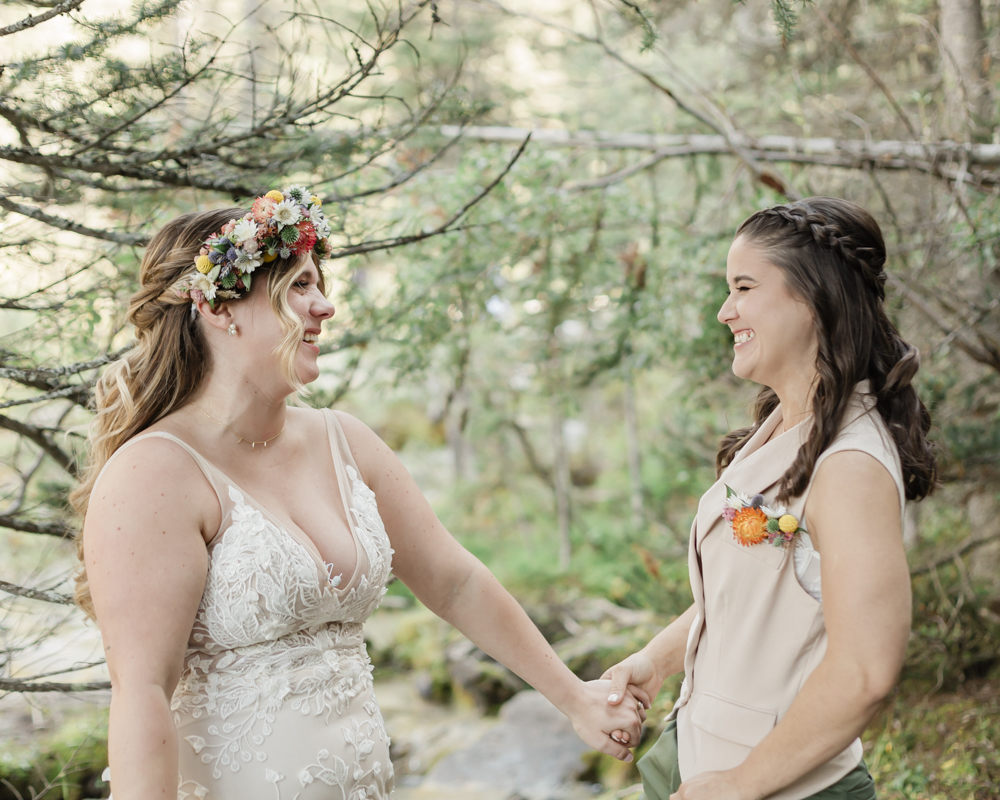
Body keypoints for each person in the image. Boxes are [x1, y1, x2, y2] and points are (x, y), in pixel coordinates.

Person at [73, 187, 644, 800]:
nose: (325, 306)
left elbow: (456, 583)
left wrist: (575, 700)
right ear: (219, 308)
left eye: (318, 284)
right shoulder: (153, 475)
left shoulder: (345, 441)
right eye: (297, 286)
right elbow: (143, 692)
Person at [603, 197, 937, 800]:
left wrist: (740, 785)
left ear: (813, 298)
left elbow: (866, 670)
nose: (726, 311)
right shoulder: (784, 426)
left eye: (744, 287)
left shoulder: (850, 463)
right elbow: (751, 599)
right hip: (695, 759)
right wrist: (654, 663)